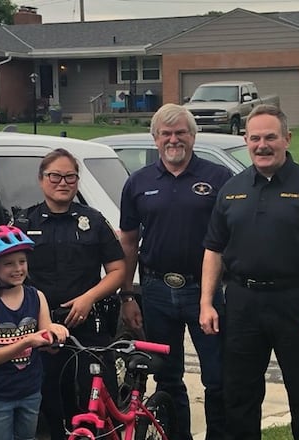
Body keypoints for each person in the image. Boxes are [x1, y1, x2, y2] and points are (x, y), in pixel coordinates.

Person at [200, 104, 299, 440]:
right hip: (241, 302)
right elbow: (214, 249)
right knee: (239, 394)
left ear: (287, 139)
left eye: (270, 137)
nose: (262, 145)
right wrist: (206, 302)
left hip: (294, 302)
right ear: (246, 140)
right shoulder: (232, 188)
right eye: (255, 138)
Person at [119, 103, 231, 440]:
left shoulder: (219, 178)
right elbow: (128, 241)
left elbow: (231, 237)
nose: (173, 140)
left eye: (180, 132)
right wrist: (127, 294)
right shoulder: (138, 183)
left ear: (193, 136)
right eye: (166, 134)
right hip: (155, 291)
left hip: (204, 293)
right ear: (155, 140)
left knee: (217, 378)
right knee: (167, 377)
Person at [17, 148, 126, 440]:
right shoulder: (25, 224)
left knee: (96, 402)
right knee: (51, 404)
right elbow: (9, 276)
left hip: (89, 327)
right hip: (44, 330)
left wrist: (89, 297)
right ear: (41, 180)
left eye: (70, 177)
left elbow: (118, 270)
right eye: (55, 176)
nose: (63, 182)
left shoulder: (93, 221)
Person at [0, 225, 69, 440]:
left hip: (30, 390)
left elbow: (46, 344)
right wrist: (27, 341)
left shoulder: (37, 297)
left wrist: (56, 333)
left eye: (22, 262)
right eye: (8, 263)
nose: (18, 268)